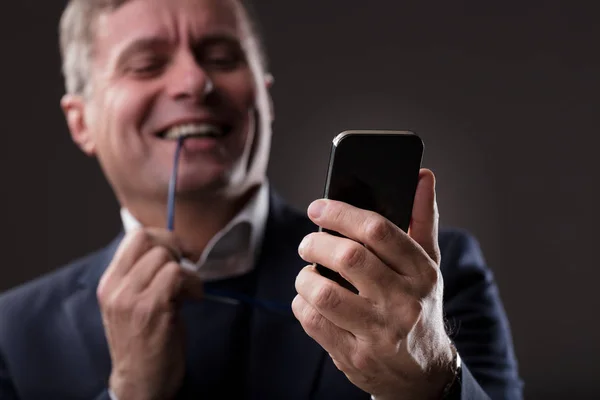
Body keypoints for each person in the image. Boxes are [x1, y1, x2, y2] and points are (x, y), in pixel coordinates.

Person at [0, 0, 523, 398]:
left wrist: (432, 384)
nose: (195, 81)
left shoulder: (428, 280)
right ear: (80, 121)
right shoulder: (12, 333)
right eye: (146, 64)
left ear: (264, 97)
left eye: (222, 57)